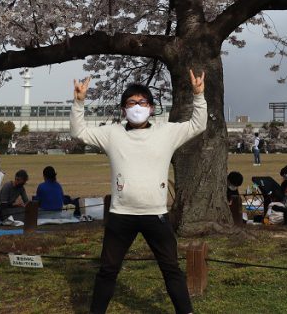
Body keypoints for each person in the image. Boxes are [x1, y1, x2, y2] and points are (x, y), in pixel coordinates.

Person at [71, 70, 206, 314]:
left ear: (152, 108)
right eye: (131, 103)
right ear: (123, 109)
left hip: (156, 214)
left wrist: (199, 95)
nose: (137, 107)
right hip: (121, 215)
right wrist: (79, 102)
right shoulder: (112, 133)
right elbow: (78, 132)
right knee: (108, 270)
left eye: (142, 102)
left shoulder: (166, 132)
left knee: (171, 269)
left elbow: (198, 124)